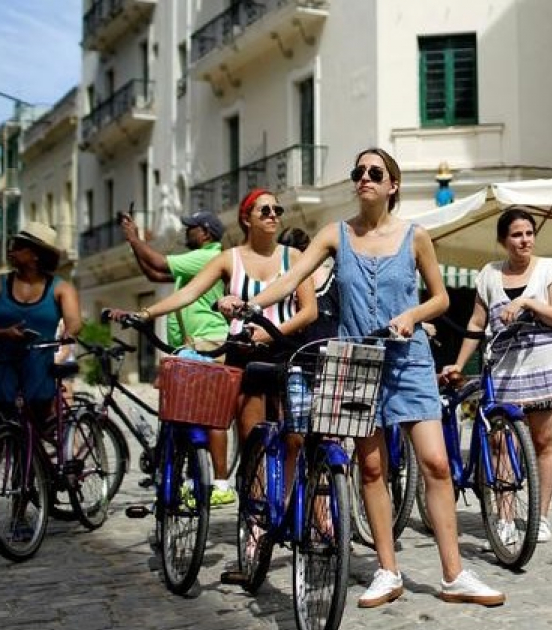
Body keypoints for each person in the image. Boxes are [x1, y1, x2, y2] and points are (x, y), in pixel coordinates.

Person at [222, 147, 505, 608]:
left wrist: (413, 315)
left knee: (434, 462)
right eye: (359, 172)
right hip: (355, 362)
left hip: (409, 359)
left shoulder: (416, 236)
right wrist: (250, 303)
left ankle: (454, 574)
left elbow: (441, 300)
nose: (364, 178)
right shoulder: (335, 234)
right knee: (370, 468)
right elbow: (291, 278)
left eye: (375, 172)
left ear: (392, 185)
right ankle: (387, 571)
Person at [118, 189, 317, 502]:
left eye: (276, 210)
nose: (273, 215)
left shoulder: (294, 258)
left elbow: (309, 311)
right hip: (243, 354)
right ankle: (255, 515)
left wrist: (268, 333)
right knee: (253, 441)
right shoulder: (229, 259)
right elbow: (188, 293)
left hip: (285, 348)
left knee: (295, 437)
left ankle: (289, 501)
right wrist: (144, 313)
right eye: (264, 210)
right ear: (246, 218)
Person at [439, 208, 552, 544]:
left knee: (544, 443)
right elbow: (476, 323)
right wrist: (459, 362)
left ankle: (541, 516)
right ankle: (506, 517)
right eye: (516, 234)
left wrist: (528, 302)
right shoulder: (488, 274)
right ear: (503, 240)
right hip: (504, 369)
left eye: (529, 233)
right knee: (501, 443)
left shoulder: (550, 269)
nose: (524, 240)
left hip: (544, 363)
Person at [0, 222, 83, 551]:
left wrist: (68, 332)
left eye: (17, 245)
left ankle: (19, 514)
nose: (10, 249)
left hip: (37, 371)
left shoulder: (59, 288)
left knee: (29, 447)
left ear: (34, 255)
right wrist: (3, 334)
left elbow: (74, 319)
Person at [122, 208, 234, 504]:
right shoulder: (193, 264)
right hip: (188, 347)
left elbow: (158, 261)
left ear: (205, 233)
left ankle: (219, 483)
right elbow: (154, 272)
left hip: (207, 344)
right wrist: (133, 244)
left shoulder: (208, 256)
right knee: (190, 415)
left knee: (209, 416)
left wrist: (134, 239)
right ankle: (186, 472)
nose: (186, 233)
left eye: (191, 228)